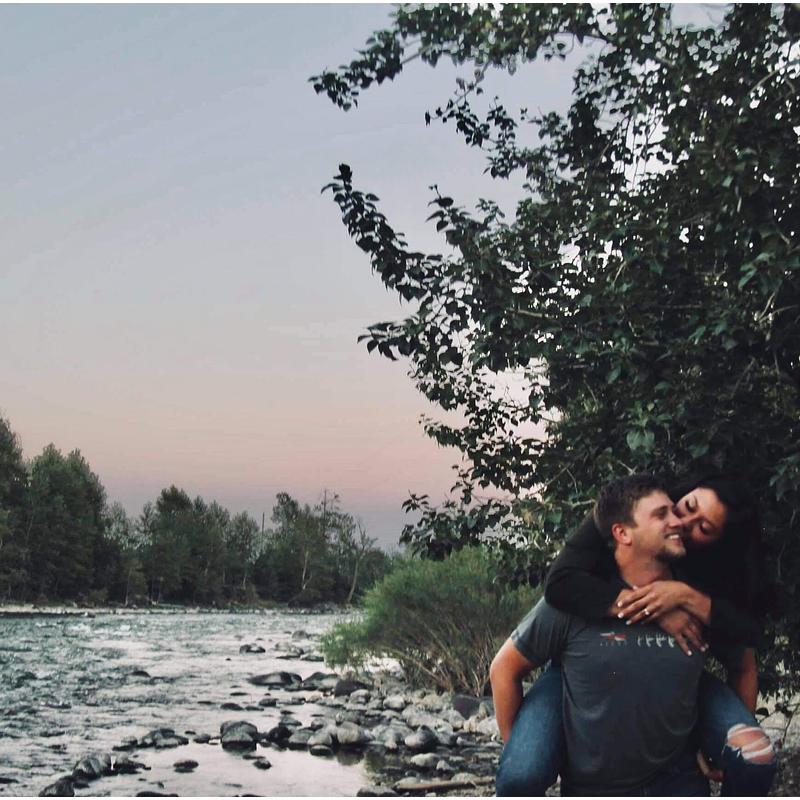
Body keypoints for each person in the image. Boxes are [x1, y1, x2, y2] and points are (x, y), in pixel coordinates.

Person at [495, 473, 776, 796]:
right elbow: (558, 584)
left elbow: (746, 648)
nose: (682, 522)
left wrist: (685, 597)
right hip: (576, 672)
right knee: (521, 773)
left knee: (755, 756)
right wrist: (648, 607)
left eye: (704, 527)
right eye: (687, 506)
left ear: (718, 542)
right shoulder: (614, 527)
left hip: (679, 695)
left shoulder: (710, 578)